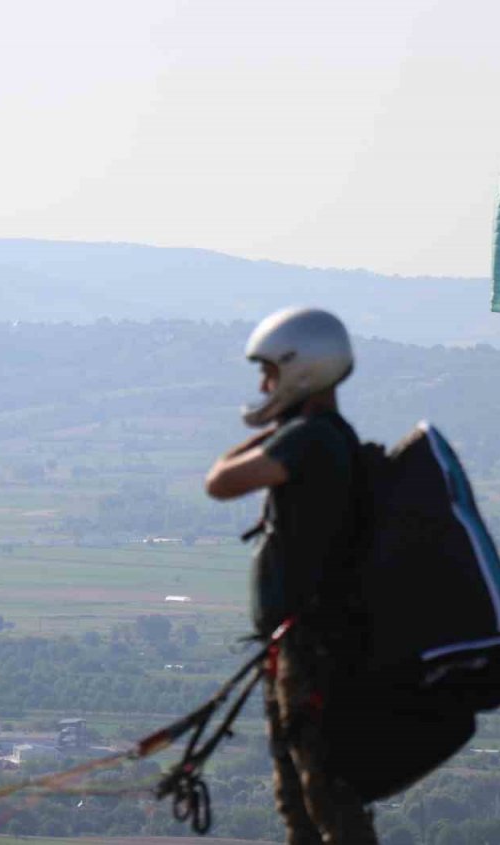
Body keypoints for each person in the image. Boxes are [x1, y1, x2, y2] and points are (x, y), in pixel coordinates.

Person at [204, 307, 377, 845]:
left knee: (325, 793)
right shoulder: (322, 435)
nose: (263, 384)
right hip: (300, 644)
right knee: (299, 799)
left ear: (302, 372)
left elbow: (221, 482)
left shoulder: (309, 439)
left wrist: (267, 425)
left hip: (312, 647)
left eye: (271, 373)